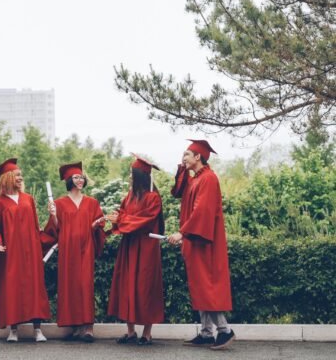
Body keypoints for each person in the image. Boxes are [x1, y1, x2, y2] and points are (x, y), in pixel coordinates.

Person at [168, 139, 235, 350]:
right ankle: (207, 333)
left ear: (198, 157)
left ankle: (225, 331)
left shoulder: (208, 179)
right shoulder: (195, 179)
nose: (183, 157)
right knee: (199, 285)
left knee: (208, 287)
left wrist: (182, 232)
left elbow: (202, 211)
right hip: (195, 241)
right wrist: (182, 168)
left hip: (205, 242)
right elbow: (177, 192)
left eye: (187, 154)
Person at [0, 158, 51, 342]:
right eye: (17, 175)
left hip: (31, 252)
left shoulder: (29, 199)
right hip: (10, 254)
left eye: (21, 175)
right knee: (11, 289)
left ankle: (38, 329)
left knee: (35, 287)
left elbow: (36, 227)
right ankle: (13, 330)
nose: (21, 178)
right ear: (8, 177)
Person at [41, 162, 106, 342]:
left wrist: (95, 224)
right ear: (69, 180)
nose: (80, 179)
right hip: (68, 249)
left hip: (86, 247)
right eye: (76, 177)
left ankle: (88, 327)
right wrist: (53, 214)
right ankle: (75, 327)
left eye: (81, 177)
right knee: (70, 285)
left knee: (85, 284)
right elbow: (55, 229)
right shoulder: (59, 203)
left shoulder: (92, 202)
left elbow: (99, 223)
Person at [106, 157, 164, 345]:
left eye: (132, 174)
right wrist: (115, 217)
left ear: (140, 176)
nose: (129, 177)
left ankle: (147, 333)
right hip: (129, 246)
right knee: (127, 286)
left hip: (146, 247)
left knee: (145, 287)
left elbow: (144, 220)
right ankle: (130, 332)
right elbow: (125, 214)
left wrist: (121, 220)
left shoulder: (153, 197)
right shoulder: (129, 196)